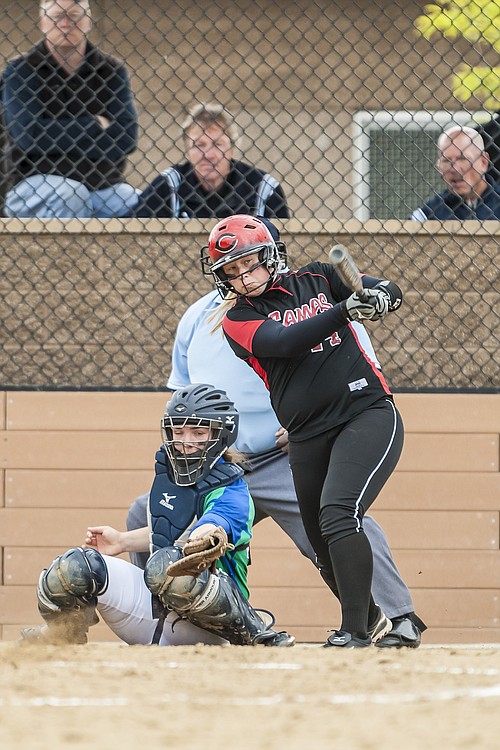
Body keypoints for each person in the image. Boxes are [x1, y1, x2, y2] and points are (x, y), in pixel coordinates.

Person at [127, 219, 426, 649]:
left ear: (269, 255)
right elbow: (283, 342)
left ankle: (396, 618)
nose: (243, 277)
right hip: (232, 459)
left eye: (249, 264)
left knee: (338, 515)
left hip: (308, 440)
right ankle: (160, 622)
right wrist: (343, 311)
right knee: (147, 514)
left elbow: (378, 303)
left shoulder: (319, 278)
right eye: (231, 271)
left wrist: (379, 297)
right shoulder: (232, 318)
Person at [20, 384, 295, 647]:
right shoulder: (170, 477)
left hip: (209, 626)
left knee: (170, 566)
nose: (186, 442)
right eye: (179, 431)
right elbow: (176, 530)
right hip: (150, 612)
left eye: (199, 433)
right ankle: (62, 635)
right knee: (75, 566)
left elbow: (209, 528)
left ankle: (253, 634)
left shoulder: (233, 491)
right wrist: (122, 542)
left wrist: (205, 538)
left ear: (221, 435)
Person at [1, 0, 139, 218]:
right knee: (72, 194)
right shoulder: (21, 72)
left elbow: (126, 139)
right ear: (42, 23)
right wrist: (93, 124)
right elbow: (31, 137)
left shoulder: (111, 71)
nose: (65, 23)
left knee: (143, 200)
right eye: (57, 16)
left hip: (101, 184)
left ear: (89, 21)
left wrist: (55, 143)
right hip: (34, 184)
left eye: (74, 15)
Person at [131, 102, 289, 218]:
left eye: (217, 144)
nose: (208, 154)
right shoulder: (168, 185)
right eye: (199, 144)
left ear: (232, 148)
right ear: (187, 150)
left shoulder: (264, 188)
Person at [410, 125, 500, 220]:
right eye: (446, 161)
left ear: (483, 162)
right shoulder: (428, 213)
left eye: (463, 159)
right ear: (438, 166)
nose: (454, 169)